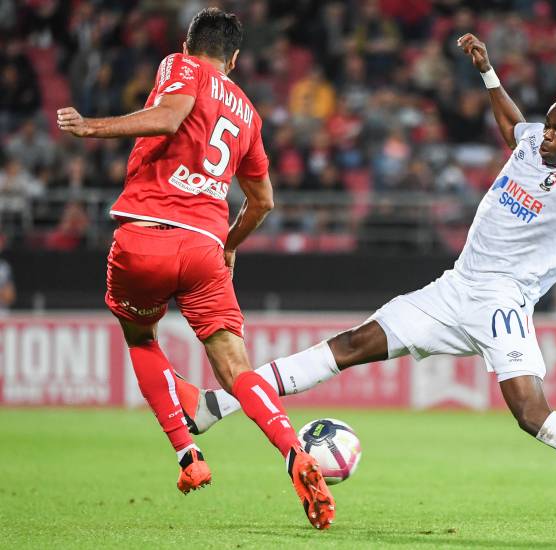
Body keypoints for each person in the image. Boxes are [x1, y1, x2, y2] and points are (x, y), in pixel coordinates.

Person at [177, 33, 556, 528]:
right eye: (550, 125)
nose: (547, 134)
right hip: (454, 289)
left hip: (503, 303)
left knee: (532, 414)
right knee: (352, 344)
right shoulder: (537, 140)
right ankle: (215, 405)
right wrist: (489, 73)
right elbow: (513, 127)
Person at [55, 8, 335, 530]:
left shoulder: (180, 67)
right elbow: (263, 201)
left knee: (141, 338)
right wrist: (231, 244)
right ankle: (293, 450)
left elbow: (168, 116)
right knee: (235, 367)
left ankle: (187, 455)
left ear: (190, 46)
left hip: (145, 234)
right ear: (234, 58)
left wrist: (90, 127)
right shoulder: (248, 112)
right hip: (206, 246)